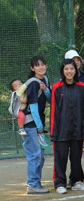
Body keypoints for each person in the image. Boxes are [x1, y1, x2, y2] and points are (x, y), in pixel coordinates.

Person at [50, 59, 84, 194]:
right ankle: (60, 183)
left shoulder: (82, 87)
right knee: (60, 158)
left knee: (76, 157)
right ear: (63, 70)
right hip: (61, 130)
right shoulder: (57, 87)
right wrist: (54, 132)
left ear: (76, 70)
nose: (69, 71)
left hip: (78, 130)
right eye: (66, 69)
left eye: (71, 69)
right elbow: (54, 111)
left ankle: (76, 181)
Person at [22, 56, 51, 194]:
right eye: (37, 65)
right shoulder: (33, 83)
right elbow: (33, 107)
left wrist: (45, 90)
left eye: (43, 64)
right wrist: (39, 127)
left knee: (40, 155)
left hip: (38, 124)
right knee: (35, 155)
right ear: (32, 68)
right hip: (30, 124)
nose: (41, 67)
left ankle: (36, 183)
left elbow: (51, 99)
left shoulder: (44, 80)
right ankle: (32, 184)